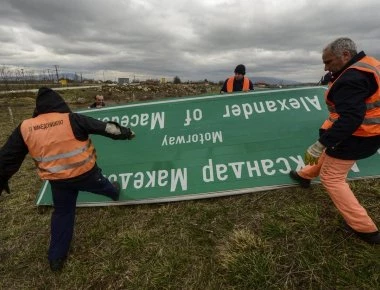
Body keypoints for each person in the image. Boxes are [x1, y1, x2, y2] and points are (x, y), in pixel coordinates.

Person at [0, 87, 136, 271]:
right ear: (59, 103)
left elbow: (7, 157)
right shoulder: (72, 119)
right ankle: (114, 193)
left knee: (63, 213)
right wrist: (126, 133)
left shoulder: (25, 127)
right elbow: (106, 128)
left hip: (58, 182)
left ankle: (56, 259)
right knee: (106, 186)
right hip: (87, 175)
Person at [289, 37, 380, 244]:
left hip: (358, 135)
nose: (325, 66)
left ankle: (365, 229)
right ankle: (304, 175)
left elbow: (350, 119)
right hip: (372, 131)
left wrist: (320, 143)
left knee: (332, 178)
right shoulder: (370, 65)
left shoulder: (352, 79)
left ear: (345, 55)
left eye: (328, 61)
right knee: (330, 155)